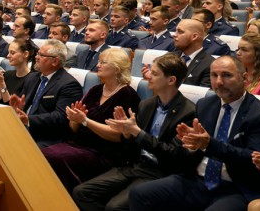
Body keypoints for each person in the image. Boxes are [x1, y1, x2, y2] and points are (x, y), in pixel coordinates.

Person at [128, 56, 260, 211]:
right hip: (196, 180)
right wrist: (191, 145)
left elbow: (253, 159)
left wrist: (209, 144)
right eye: (214, 75)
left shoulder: (259, 113)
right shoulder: (205, 105)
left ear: (245, 78)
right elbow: (191, 152)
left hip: (233, 187)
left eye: (227, 75)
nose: (219, 82)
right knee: (140, 194)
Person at [73, 53, 196, 211]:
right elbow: (131, 144)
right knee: (82, 192)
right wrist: (126, 133)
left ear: (171, 80)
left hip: (161, 171)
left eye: (154, 73)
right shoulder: (146, 104)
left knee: (114, 207)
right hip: (135, 164)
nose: (148, 76)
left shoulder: (188, 112)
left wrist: (137, 133)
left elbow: (174, 154)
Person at [42, 48, 140, 192]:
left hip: (104, 152)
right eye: (99, 61)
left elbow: (117, 135)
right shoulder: (95, 90)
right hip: (78, 144)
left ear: (117, 68)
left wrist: (85, 121)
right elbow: (74, 128)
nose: (98, 65)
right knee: (42, 153)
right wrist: (74, 119)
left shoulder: (127, 94)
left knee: (51, 156)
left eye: (103, 62)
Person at [10, 40, 83, 148]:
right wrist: (19, 108)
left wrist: (29, 119)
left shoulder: (69, 85)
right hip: (23, 128)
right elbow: (23, 105)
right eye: (37, 53)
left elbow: (61, 117)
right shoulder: (32, 77)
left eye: (41, 55)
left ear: (55, 61)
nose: (36, 57)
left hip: (48, 136)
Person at [0, 39, 37, 104]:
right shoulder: (7, 74)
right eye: (8, 52)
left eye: (12, 53)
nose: (8, 56)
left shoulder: (32, 79)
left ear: (25, 54)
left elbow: (13, 106)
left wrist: (2, 85)